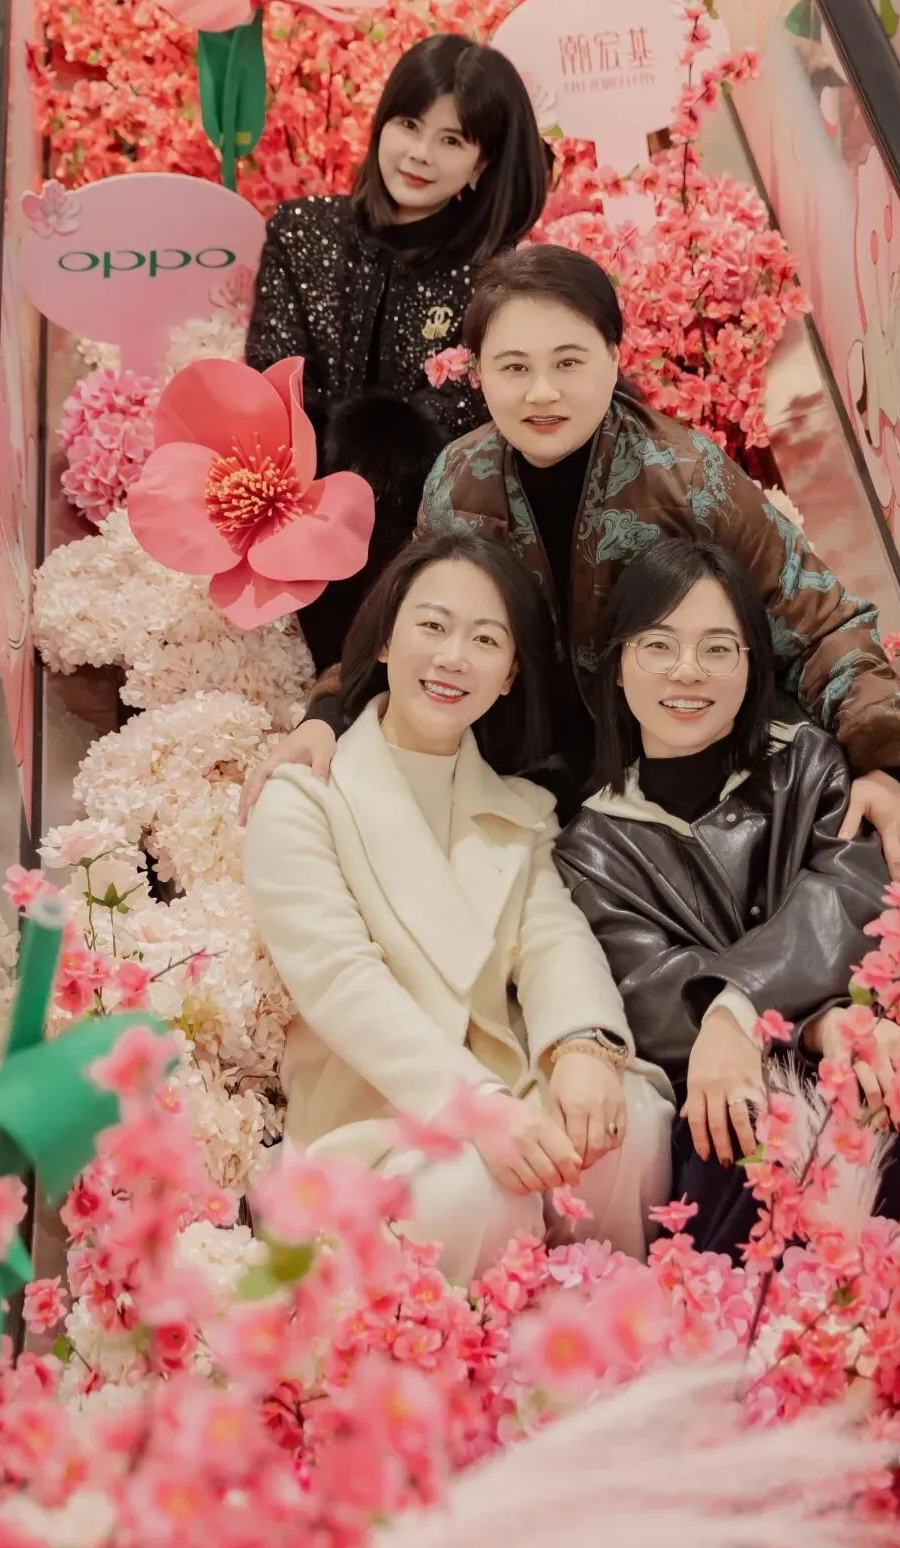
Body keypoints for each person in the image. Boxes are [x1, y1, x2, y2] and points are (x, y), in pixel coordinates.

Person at [241, 243, 900, 881]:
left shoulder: (688, 476)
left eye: (569, 362)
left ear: (612, 357)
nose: (541, 392)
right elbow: (412, 625)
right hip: (518, 777)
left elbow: (819, 625)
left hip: (680, 785)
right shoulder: (458, 480)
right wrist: (326, 717)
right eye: (514, 367)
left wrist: (885, 763)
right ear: (478, 373)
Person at [243, 532, 674, 1287]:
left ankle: (613, 1320)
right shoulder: (304, 799)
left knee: (625, 1118)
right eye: (432, 627)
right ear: (385, 641)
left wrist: (581, 1048)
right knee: (469, 1185)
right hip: (375, 1120)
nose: (452, 658)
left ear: (510, 676)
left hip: (509, 1089)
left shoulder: (520, 808)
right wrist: (476, 1109)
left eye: (485, 640)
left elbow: (553, 939)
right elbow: (342, 981)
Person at [552, 538, 900, 1258]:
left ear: (753, 666)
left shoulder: (809, 765)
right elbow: (651, 996)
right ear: (618, 666)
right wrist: (812, 1025)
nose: (687, 671)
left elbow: (847, 894)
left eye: (718, 649)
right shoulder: (588, 848)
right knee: (732, 1165)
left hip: (860, 1049)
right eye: (658, 645)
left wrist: (738, 1008)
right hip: (723, 1096)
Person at [245, 35, 550, 671]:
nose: (420, 154)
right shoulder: (301, 231)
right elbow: (271, 386)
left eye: (452, 140)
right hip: (289, 524)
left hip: (427, 552)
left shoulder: (495, 279)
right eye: (409, 124)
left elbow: (458, 435)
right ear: (382, 122)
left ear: (482, 165)